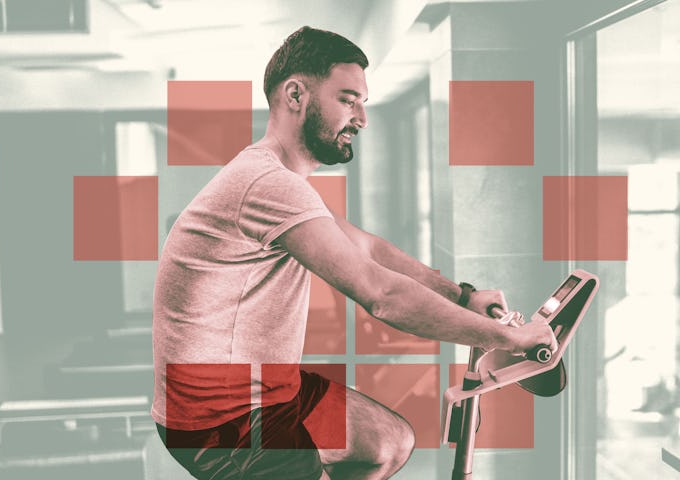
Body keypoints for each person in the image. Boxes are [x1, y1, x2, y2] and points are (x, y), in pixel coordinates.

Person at [151, 26, 557, 480]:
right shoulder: (267, 183)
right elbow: (382, 295)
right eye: (348, 99)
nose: (362, 117)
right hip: (222, 421)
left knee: (388, 442)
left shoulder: (279, 178)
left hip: (271, 391)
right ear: (295, 95)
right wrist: (508, 338)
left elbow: (368, 248)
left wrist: (460, 296)